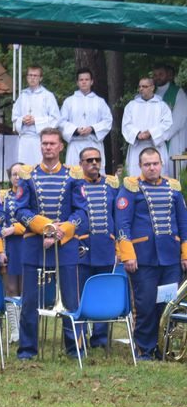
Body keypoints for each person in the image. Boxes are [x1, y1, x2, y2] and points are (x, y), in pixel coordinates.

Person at [13, 128, 87, 360]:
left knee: (70, 299)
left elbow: (82, 212)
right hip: (34, 245)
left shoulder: (74, 175)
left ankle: (74, 348)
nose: (48, 147)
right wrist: (45, 226)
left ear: (61, 147)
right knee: (30, 300)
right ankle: (27, 349)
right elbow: (19, 209)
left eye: (52, 144)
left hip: (65, 246)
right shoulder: (28, 175)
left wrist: (61, 230)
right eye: (44, 143)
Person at [115, 147, 187, 359]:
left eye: (155, 163)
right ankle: (144, 349)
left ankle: (164, 348)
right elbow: (122, 223)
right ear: (140, 166)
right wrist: (127, 254)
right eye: (147, 164)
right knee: (145, 305)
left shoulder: (173, 188)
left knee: (167, 305)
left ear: (161, 163)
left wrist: (185, 254)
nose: (152, 167)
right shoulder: (131, 188)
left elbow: (183, 223)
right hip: (142, 258)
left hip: (170, 259)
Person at [75, 147, 119, 349]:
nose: (94, 163)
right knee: (80, 294)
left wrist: (117, 243)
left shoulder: (111, 186)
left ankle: (100, 339)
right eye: (89, 160)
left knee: (103, 292)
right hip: (81, 247)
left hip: (105, 247)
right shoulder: (74, 185)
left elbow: (117, 217)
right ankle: (79, 338)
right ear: (81, 163)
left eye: (97, 159)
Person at [58, 68, 113, 168]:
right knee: (74, 175)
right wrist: (76, 130)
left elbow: (108, 121)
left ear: (91, 82)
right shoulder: (69, 101)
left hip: (93, 144)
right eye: (81, 80)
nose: (84, 82)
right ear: (77, 82)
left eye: (86, 80)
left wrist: (92, 129)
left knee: (94, 175)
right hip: (75, 144)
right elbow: (61, 122)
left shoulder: (100, 102)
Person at [122, 77, 173, 177]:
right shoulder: (131, 106)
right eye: (140, 86)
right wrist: (137, 134)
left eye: (144, 86)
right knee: (135, 177)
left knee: (158, 176)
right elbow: (126, 125)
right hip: (137, 146)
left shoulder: (162, 106)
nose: (141, 89)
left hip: (156, 146)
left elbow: (167, 125)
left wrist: (151, 133)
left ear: (152, 88)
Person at [0, 163, 25, 344]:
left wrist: (15, 228)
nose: (17, 177)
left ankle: (26, 329)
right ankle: (14, 330)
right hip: (9, 247)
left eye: (20, 174)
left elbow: (34, 220)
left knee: (26, 289)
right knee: (11, 289)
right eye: (14, 174)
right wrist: (0, 250)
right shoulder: (3, 196)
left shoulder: (31, 195)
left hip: (26, 244)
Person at [11, 65, 60, 167]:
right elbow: (14, 117)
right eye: (30, 75)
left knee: (39, 168)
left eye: (35, 76)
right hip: (24, 140)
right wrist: (22, 120)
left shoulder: (47, 95)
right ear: (27, 77)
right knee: (23, 169)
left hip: (40, 139)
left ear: (40, 78)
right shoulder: (22, 95)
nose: (32, 78)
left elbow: (56, 119)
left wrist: (36, 121)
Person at [152, 63, 187, 176]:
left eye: (161, 74)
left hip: (173, 139)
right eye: (155, 75)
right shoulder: (153, 93)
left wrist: (162, 136)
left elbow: (179, 120)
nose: (158, 77)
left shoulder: (178, 92)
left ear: (168, 75)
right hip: (155, 140)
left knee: (173, 174)